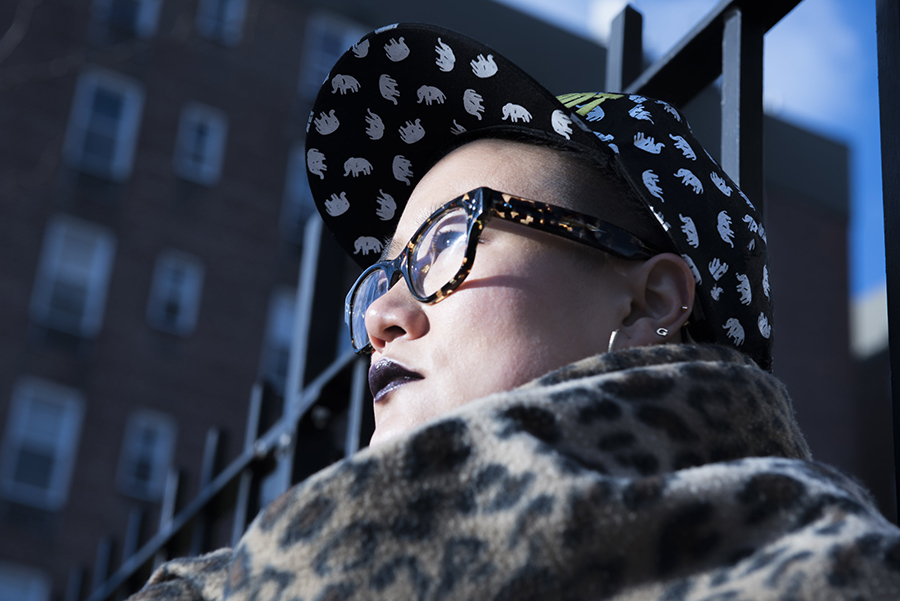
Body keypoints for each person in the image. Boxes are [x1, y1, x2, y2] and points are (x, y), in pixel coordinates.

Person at [132, 23, 900, 601]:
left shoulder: (826, 572)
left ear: (649, 303)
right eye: (385, 273)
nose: (382, 315)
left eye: (445, 242)